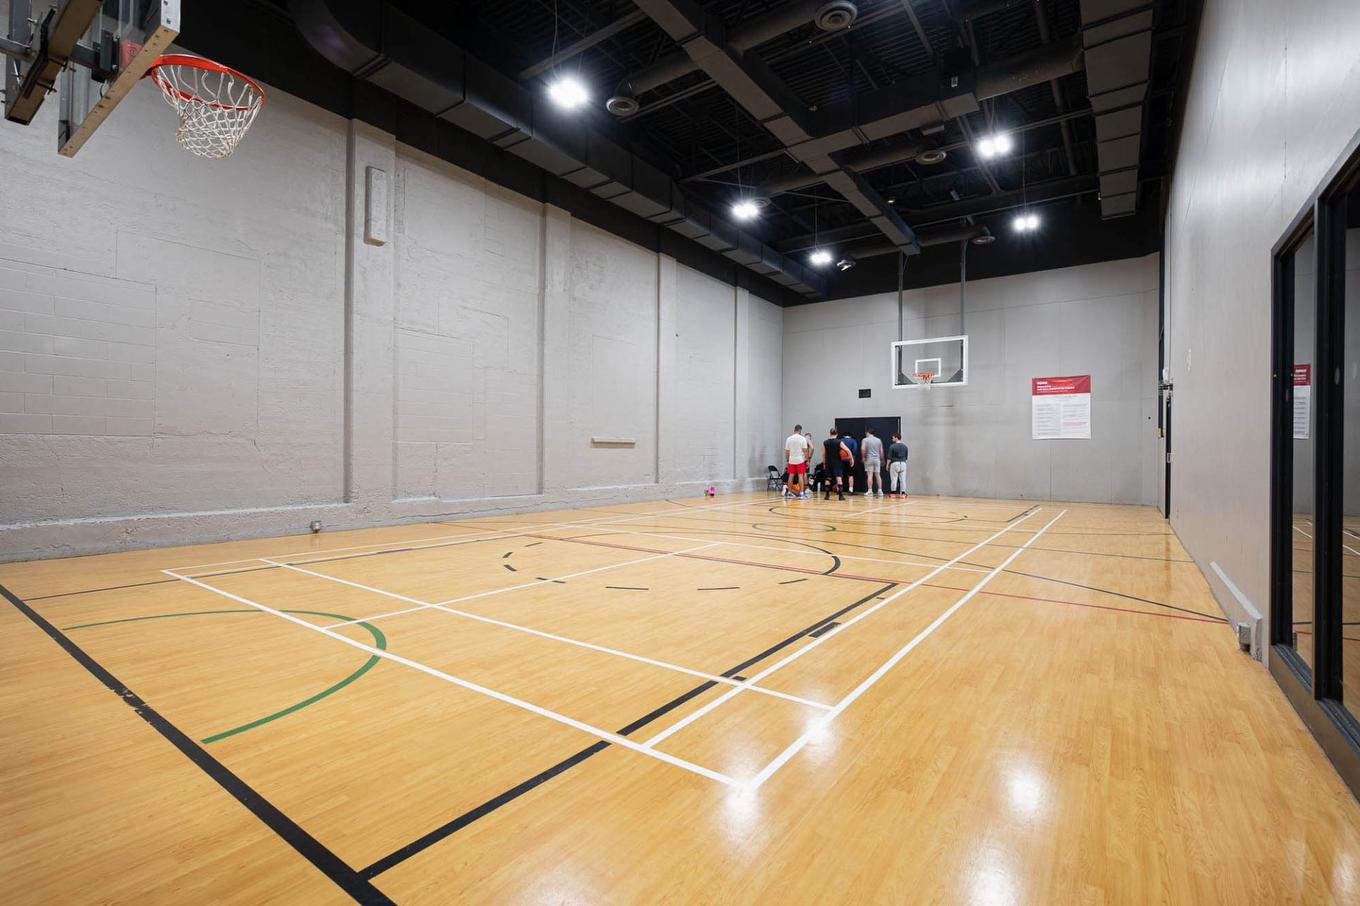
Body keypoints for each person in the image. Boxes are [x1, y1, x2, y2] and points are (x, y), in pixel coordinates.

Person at [822, 428, 851, 500]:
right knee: (838, 478)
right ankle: (840, 496)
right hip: (837, 462)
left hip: (828, 463)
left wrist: (824, 463)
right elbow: (847, 450)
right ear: (837, 434)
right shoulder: (839, 442)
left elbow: (823, 454)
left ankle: (827, 495)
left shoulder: (825, 442)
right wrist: (851, 458)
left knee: (828, 478)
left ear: (830, 433)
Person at [784, 424, 811, 498]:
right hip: (800, 460)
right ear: (800, 430)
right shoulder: (802, 439)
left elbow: (787, 451)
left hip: (791, 460)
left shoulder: (789, 439)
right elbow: (805, 451)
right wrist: (807, 460)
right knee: (800, 476)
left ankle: (789, 493)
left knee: (791, 476)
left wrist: (787, 460)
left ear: (794, 430)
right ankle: (802, 493)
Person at [861, 427, 884, 497]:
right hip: (877, 459)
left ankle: (870, 491)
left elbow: (863, 448)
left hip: (869, 459)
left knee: (870, 475)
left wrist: (863, 457)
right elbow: (881, 451)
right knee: (878, 475)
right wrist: (882, 459)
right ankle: (880, 491)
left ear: (868, 432)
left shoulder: (865, 440)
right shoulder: (878, 440)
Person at [888, 432, 909, 498]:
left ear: (896, 438)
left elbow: (889, 457)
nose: (892, 439)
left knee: (894, 479)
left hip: (894, 463)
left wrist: (887, 465)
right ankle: (903, 494)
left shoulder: (892, 446)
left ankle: (892, 494)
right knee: (903, 479)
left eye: (893, 437)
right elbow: (906, 457)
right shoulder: (905, 446)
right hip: (903, 463)